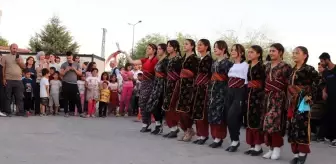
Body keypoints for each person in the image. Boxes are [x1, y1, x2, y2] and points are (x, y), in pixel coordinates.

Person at [286, 46, 318, 164]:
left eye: (297, 53)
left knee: (302, 125)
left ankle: (302, 154)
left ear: (305, 55)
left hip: (303, 101)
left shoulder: (309, 69)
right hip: (292, 101)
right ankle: (295, 154)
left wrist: (309, 96)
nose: (294, 54)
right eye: (293, 52)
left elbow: (320, 82)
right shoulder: (292, 70)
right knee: (292, 126)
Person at [263, 43, 292, 160]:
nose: (271, 53)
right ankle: (270, 148)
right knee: (266, 122)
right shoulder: (267, 66)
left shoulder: (285, 66)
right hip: (267, 97)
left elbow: (289, 83)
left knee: (275, 122)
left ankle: (277, 148)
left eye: (273, 51)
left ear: (280, 52)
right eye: (270, 51)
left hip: (279, 97)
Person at [121, 44, 159, 132]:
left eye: (149, 49)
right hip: (144, 83)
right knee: (142, 103)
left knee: (150, 103)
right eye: (147, 48)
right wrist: (125, 53)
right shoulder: (144, 60)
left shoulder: (156, 60)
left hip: (152, 83)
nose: (147, 50)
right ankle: (145, 123)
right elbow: (132, 61)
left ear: (154, 50)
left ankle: (156, 123)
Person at [208, 40, 233, 148]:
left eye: (217, 47)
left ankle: (219, 138)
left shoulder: (228, 63)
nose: (214, 49)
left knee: (219, 114)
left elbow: (230, 78)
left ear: (223, 49)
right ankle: (214, 136)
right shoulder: (214, 62)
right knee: (212, 112)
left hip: (222, 91)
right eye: (214, 47)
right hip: (212, 91)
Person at [225, 44, 249, 152]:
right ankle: (234, 140)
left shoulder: (246, 65)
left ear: (242, 53)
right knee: (228, 117)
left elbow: (246, 83)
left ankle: (236, 140)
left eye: (236, 50)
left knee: (232, 117)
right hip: (229, 92)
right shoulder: (231, 65)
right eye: (232, 49)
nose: (233, 51)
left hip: (239, 92)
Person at [177, 39, 199, 141]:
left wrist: (184, 72)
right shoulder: (183, 58)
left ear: (192, 46)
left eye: (186, 44)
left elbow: (195, 73)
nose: (184, 45)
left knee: (186, 110)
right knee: (180, 109)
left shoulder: (195, 58)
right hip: (181, 86)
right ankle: (186, 130)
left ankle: (189, 129)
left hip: (190, 86)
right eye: (184, 44)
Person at [244, 45, 265, 155]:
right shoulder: (249, 66)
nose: (249, 53)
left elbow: (263, 82)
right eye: (249, 52)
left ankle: (258, 146)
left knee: (256, 119)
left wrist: (261, 95)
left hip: (258, 95)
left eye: (252, 52)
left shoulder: (261, 66)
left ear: (258, 54)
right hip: (249, 94)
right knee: (249, 118)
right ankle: (251, 145)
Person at [193, 39, 213, 145]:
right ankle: (199, 134)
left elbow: (209, 75)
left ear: (206, 47)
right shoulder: (199, 59)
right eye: (197, 45)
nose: (198, 46)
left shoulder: (208, 59)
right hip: (197, 87)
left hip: (204, 88)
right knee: (197, 111)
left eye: (200, 45)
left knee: (202, 111)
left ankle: (204, 135)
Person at [162, 41, 183, 138]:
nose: (168, 48)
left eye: (170, 46)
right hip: (168, 84)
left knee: (173, 105)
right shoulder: (167, 59)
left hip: (176, 85)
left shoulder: (179, 59)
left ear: (175, 48)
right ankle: (172, 128)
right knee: (167, 106)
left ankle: (176, 128)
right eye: (167, 46)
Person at [146, 43, 168, 135]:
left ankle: (160, 126)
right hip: (156, 84)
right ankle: (158, 124)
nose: (158, 50)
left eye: (159, 49)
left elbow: (168, 74)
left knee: (157, 105)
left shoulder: (166, 60)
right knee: (152, 104)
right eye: (157, 49)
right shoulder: (159, 60)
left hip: (162, 85)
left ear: (164, 50)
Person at [2, 43, 26, 116]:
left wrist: (19, 62)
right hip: (8, 79)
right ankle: (8, 112)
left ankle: (20, 112)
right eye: (14, 48)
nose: (15, 50)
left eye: (16, 48)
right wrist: (3, 78)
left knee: (19, 97)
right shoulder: (5, 57)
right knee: (8, 97)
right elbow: (3, 68)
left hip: (18, 80)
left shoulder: (20, 57)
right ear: (10, 48)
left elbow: (24, 67)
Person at [60, 51, 85, 117]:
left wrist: (74, 70)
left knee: (77, 98)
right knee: (66, 99)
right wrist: (66, 70)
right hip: (66, 83)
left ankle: (81, 112)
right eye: (67, 58)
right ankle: (66, 112)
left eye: (70, 57)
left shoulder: (77, 64)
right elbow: (61, 74)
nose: (69, 59)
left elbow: (80, 74)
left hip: (74, 84)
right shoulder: (64, 64)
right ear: (66, 57)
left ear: (72, 57)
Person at [319, 52, 336, 147]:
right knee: (330, 116)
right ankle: (330, 137)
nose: (321, 63)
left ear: (327, 60)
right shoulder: (325, 72)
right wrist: (323, 92)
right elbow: (324, 84)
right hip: (330, 98)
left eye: (322, 61)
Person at [35, 51, 49, 115]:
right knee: (38, 97)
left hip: (45, 81)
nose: (43, 56)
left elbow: (47, 71)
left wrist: (47, 64)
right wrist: (41, 64)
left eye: (43, 55)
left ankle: (43, 111)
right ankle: (37, 111)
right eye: (41, 55)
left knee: (44, 96)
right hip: (39, 81)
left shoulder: (46, 62)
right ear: (39, 56)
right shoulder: (37, 62)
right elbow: (38, 70)